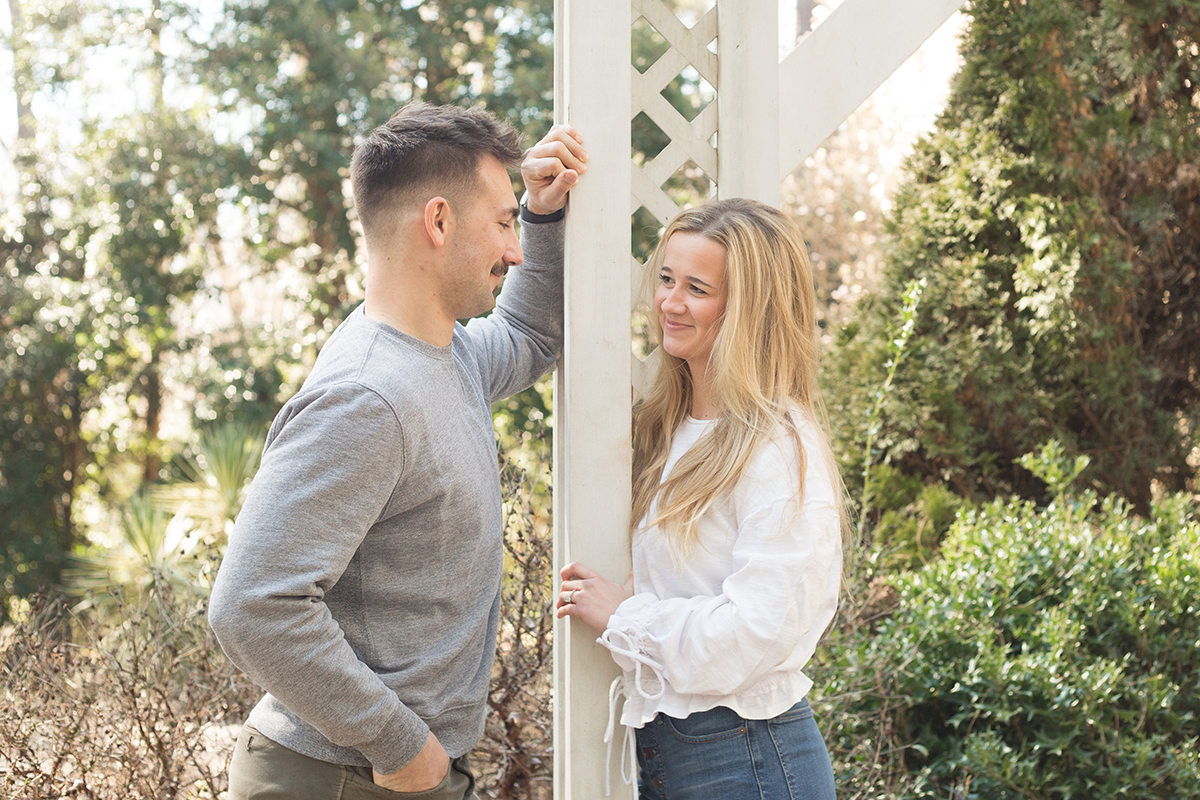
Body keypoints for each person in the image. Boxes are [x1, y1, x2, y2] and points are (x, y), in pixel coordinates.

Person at [208, 102, 586, 800]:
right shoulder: (368, 396)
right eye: (503, 224)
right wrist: (399, 743)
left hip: (388, 774)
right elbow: (252, 604)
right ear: (438, 222)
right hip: (343, 779)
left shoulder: (449, 354)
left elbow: (532, 336)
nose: (514, 250)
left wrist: (541, 210)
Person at [556, 199, 844, 800]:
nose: (669, 302)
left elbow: (757, 633)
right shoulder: (673, 426)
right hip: (676, 752)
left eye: (696, 288)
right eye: (666, 278)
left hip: (748, 760)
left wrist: (625, 616)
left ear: (748, 310)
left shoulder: (778, 448)